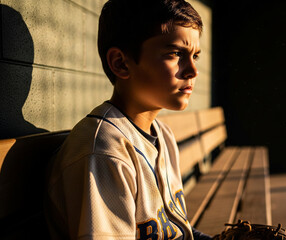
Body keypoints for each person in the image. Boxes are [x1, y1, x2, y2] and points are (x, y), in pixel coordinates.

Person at [45, 0, 211, 239]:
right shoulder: (103, 151)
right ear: (121, 63)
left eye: (195, 55)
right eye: (175, 54)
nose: (193, 70)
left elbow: (177, 230)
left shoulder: (162, 134)